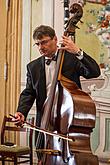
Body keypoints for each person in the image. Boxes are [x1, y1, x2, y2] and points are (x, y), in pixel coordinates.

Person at [13, 24, 100, 156]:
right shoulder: (33, 67)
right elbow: (29, 93)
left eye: (44, 42)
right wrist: (21, 112)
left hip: (68, 120)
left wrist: (78, 51)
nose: (41, 47)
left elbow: (94, 72)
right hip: (45, 121)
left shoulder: (71, 59)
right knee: (43, 157)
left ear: (55, 39)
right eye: (37, 44)